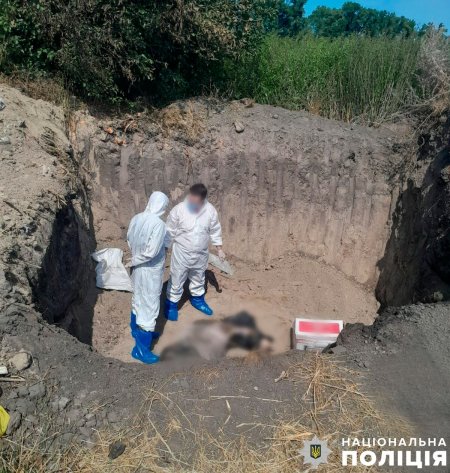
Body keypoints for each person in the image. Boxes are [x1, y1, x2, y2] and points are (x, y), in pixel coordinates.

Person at [164, 183, 224, 320]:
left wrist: (219, 248)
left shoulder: (210, 210)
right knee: (177, 278)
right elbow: (169, 230)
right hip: (182, 253)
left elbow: (215, 229)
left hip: (201, 254)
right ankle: (171, 304)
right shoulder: (179, 210)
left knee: (198, 276)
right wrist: (165, 248)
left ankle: (197, 299)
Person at [127, 191, 169, 364]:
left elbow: (129, 239)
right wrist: (136, 259)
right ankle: (141, 350)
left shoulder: (136, 218)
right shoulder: (159, 224)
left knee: (138, 299)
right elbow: (151, 252)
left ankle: (137, 332)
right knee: (150, 305)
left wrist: (134, 259)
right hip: (150, 271)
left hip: (137, 269)